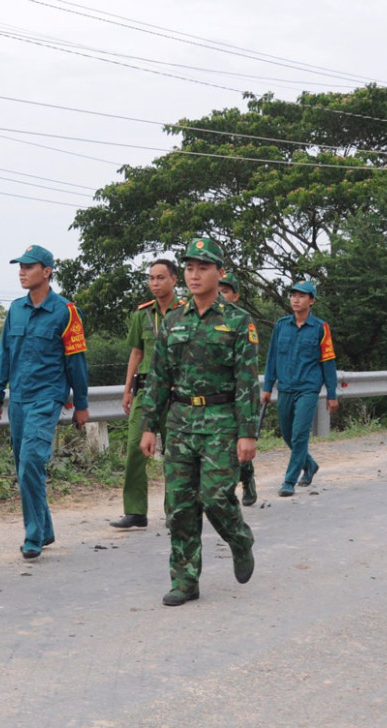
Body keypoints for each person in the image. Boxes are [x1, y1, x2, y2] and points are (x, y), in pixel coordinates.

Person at [139, 237, 257, 606]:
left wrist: (247, 433)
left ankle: (239, 537)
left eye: (202, 268)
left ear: (220, 273)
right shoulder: (172, 320)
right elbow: (158, 377)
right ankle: (185, 580)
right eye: (189, 268)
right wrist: (148, 425)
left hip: (221, 421)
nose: (194, 274)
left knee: (216, 497)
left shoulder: (238, 321)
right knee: (179, 506)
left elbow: (246, 380)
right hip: (180, 422)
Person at [0, 245, 90, 559]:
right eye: (20, 266)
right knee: (23, 466)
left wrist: (81, 404)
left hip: (47, 398)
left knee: (31, 460)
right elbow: (3, 355)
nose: (22, 271)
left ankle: (33, 536)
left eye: (29, 266)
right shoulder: (15, 309)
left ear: (46, 271)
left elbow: (76, 362)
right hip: (18, 398)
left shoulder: (66, 311)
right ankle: (44, 529)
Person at [112, 259, 181, 530]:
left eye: (161, 277)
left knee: (175, 454)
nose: (155, 283)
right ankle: (135, 511)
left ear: (174, 279)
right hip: (146, 391)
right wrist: (127, 389)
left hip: (177, 394)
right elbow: (137, 353)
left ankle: (175, 511)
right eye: (151, 278)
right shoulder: (142, 314)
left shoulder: (187, 312)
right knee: (134, 449)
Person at [262, 280, 338, 497]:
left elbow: (328, 362)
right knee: (286, 433)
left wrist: (331, 394)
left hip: (308, 388)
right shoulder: (281, 326)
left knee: (299, 435)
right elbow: (272, 358)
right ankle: (310, 464)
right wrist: (268, 387)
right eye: (293, 295)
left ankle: (289, 480)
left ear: (311, 301)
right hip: (285, 387)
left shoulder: (321, 328)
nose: (296, 299)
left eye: (302, 296)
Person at [218, 273, 258, 506]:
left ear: (235, 296)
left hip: (236, 396)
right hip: (210, 400)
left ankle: (247, 478)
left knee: (238, 448)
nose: (220, 295)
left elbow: (248, 369)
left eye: (225, 291)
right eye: (218, 290)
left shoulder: (242, 321)